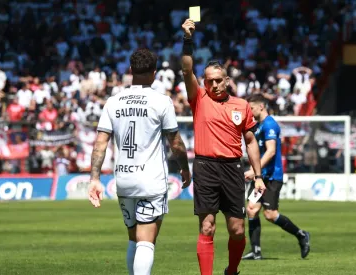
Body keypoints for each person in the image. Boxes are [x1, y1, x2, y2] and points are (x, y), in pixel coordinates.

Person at [88, 48, 191, 275]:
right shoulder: (161, 101)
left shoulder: (113, 102)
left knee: (134, 238)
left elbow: (100, 144)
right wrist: (185, 169)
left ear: (131, 70)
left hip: (124, 179)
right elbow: (175, 143)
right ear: (154, 73)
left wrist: (94, 178)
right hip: (151, 180)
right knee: (146, 240)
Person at [181, 19, 266, 275]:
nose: (214, 85)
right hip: (205, 167)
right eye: (209, 81)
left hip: (232, 168)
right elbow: (186, 71)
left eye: (218, 80)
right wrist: (187, 40)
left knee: (237, 230)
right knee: (207, 227)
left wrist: (259, 175)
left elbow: (250, 141)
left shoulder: (242, 105)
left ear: (226, 80)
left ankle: (232, 271)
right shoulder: (199, 98)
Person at [242, 94, 310, 260]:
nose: (249, 112)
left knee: (270, 215)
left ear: (261, 106)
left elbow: (271, 151)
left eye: (251, 108)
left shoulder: (270, 124)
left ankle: (301, 235)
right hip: (261, 177)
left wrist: (253, 171)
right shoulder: (258, 126)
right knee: (251, 209)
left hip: (271, 177)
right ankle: (256, 251)